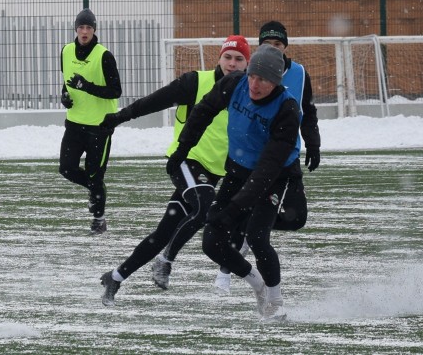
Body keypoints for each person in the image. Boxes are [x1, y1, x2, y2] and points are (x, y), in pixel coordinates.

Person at [99, 35, 251, 305]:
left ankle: (115, 277)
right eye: (228, 57)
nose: (232, 63)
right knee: (203, 208)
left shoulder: (250, 92)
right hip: (186, 161)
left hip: (214, 173)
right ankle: (165, 259)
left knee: (163, 232)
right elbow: (155, 101)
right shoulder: (196, 82)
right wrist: (120, 117)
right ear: (219, 58)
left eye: (239, 58)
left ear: (247, 63)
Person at [168, 44, 300, 321]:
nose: (254, 83)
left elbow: (267, 168)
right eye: (252, 75)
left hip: (274, 178)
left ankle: (276, 302)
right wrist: (182, 149)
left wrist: (235, 209)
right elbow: (203, 110)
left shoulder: (287, 109)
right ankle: (258, 286)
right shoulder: (234, 82)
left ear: (276, 81)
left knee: (256, 236)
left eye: (263, 79)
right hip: (238, 170)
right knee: (211, 241)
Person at [212, 20, 322, 294]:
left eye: (277, 44)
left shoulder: (298, 72)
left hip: (285, 156)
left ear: (285, 46)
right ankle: (230, 271)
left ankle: (251, 225)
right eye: (267, 44)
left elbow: (307, 110)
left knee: (296, 219)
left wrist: (314, 143)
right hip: (252, 158)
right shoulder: (252, 73)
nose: (272, 48)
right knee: (250, 226)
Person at [58, 8, 122, 234]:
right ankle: (96, 188)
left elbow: (116, 91)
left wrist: (87, 86)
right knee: (66, 169)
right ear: (75, 28)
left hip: (99, 127)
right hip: (74, 123)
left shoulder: (104, 55)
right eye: (81, 27)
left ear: (94, 30)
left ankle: (99, 220)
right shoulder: (66, 51)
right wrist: (65, 97)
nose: (84, 32)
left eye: (89, 28)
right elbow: (67, 83)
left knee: (95, 173)